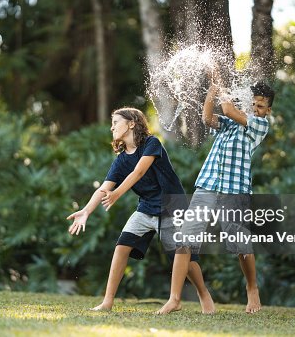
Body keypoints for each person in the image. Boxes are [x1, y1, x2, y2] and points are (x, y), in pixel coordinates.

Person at [67, 107, 215, 313]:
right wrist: (86, 211)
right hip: (146, 209)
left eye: (116, 122)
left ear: (131, 123)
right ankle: (108, 301)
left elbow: (139, 171)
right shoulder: (120, 160)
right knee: (121, 247)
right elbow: (103, 188)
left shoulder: (151, 144)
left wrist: (117, 194)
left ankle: (201, 294)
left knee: (184, 259)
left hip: (171, 207)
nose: (112, 127)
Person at [157, 80, 274, 315]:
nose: (254, 109)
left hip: (235, 189)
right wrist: (213, 88)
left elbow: (229, 108)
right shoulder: (229, 124)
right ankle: (174, 298)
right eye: (252, 104)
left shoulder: (260, 125)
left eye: (260, 106)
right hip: (208, 185)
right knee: (184, 240)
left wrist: (221, 82)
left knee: (241, 245)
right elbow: (207, 116)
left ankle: (252, 287)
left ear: (267, 110)